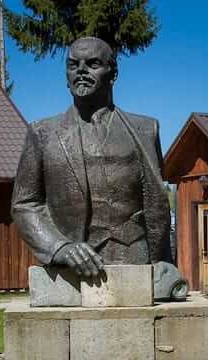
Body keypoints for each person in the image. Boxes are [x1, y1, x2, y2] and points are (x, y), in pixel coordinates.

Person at [11, 37, 172, 278]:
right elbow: (24, 205)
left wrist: (163, 262)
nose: (81, 71)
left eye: (92, 64)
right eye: (73, 64)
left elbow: (155, 202)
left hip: (135, 259)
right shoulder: (42, 133)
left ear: (113, 73)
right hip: (71, 267)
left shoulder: (146, 130)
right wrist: (60, 247)